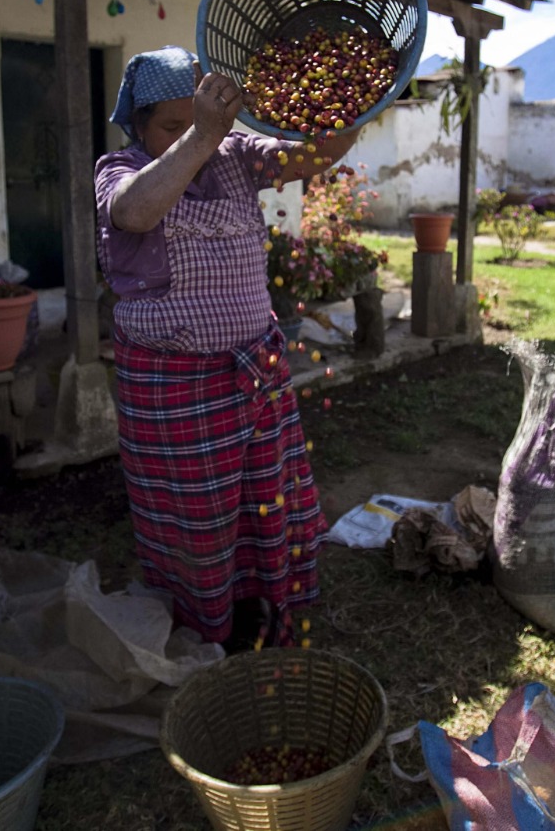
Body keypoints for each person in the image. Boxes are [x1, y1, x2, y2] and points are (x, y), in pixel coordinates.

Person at [95, 45, 363, 651]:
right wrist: (201, 135)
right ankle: (203, 622)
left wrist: (350, 103)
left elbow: (313, 155)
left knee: (261, 502)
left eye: (199, 120)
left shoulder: (238, 156)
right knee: (197, 519)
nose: (191, 134)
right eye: (172, 125)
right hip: (174, 387)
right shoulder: (120, 168)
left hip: (254, 371)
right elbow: (134, 212)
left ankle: (262, 604)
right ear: (139, 127)